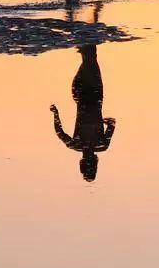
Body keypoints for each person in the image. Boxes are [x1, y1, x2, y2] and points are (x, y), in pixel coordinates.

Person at [50, 44, 117, 182]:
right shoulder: (76, 144)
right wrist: (55, 114)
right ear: (81, 164)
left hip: (96, 96)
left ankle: (86, 33)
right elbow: (59, 132)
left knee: (90, 60)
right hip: (80, 96)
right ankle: (85, 33)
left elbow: (112, 124)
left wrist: (100, 119)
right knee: (89, 60)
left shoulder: (102, 145)